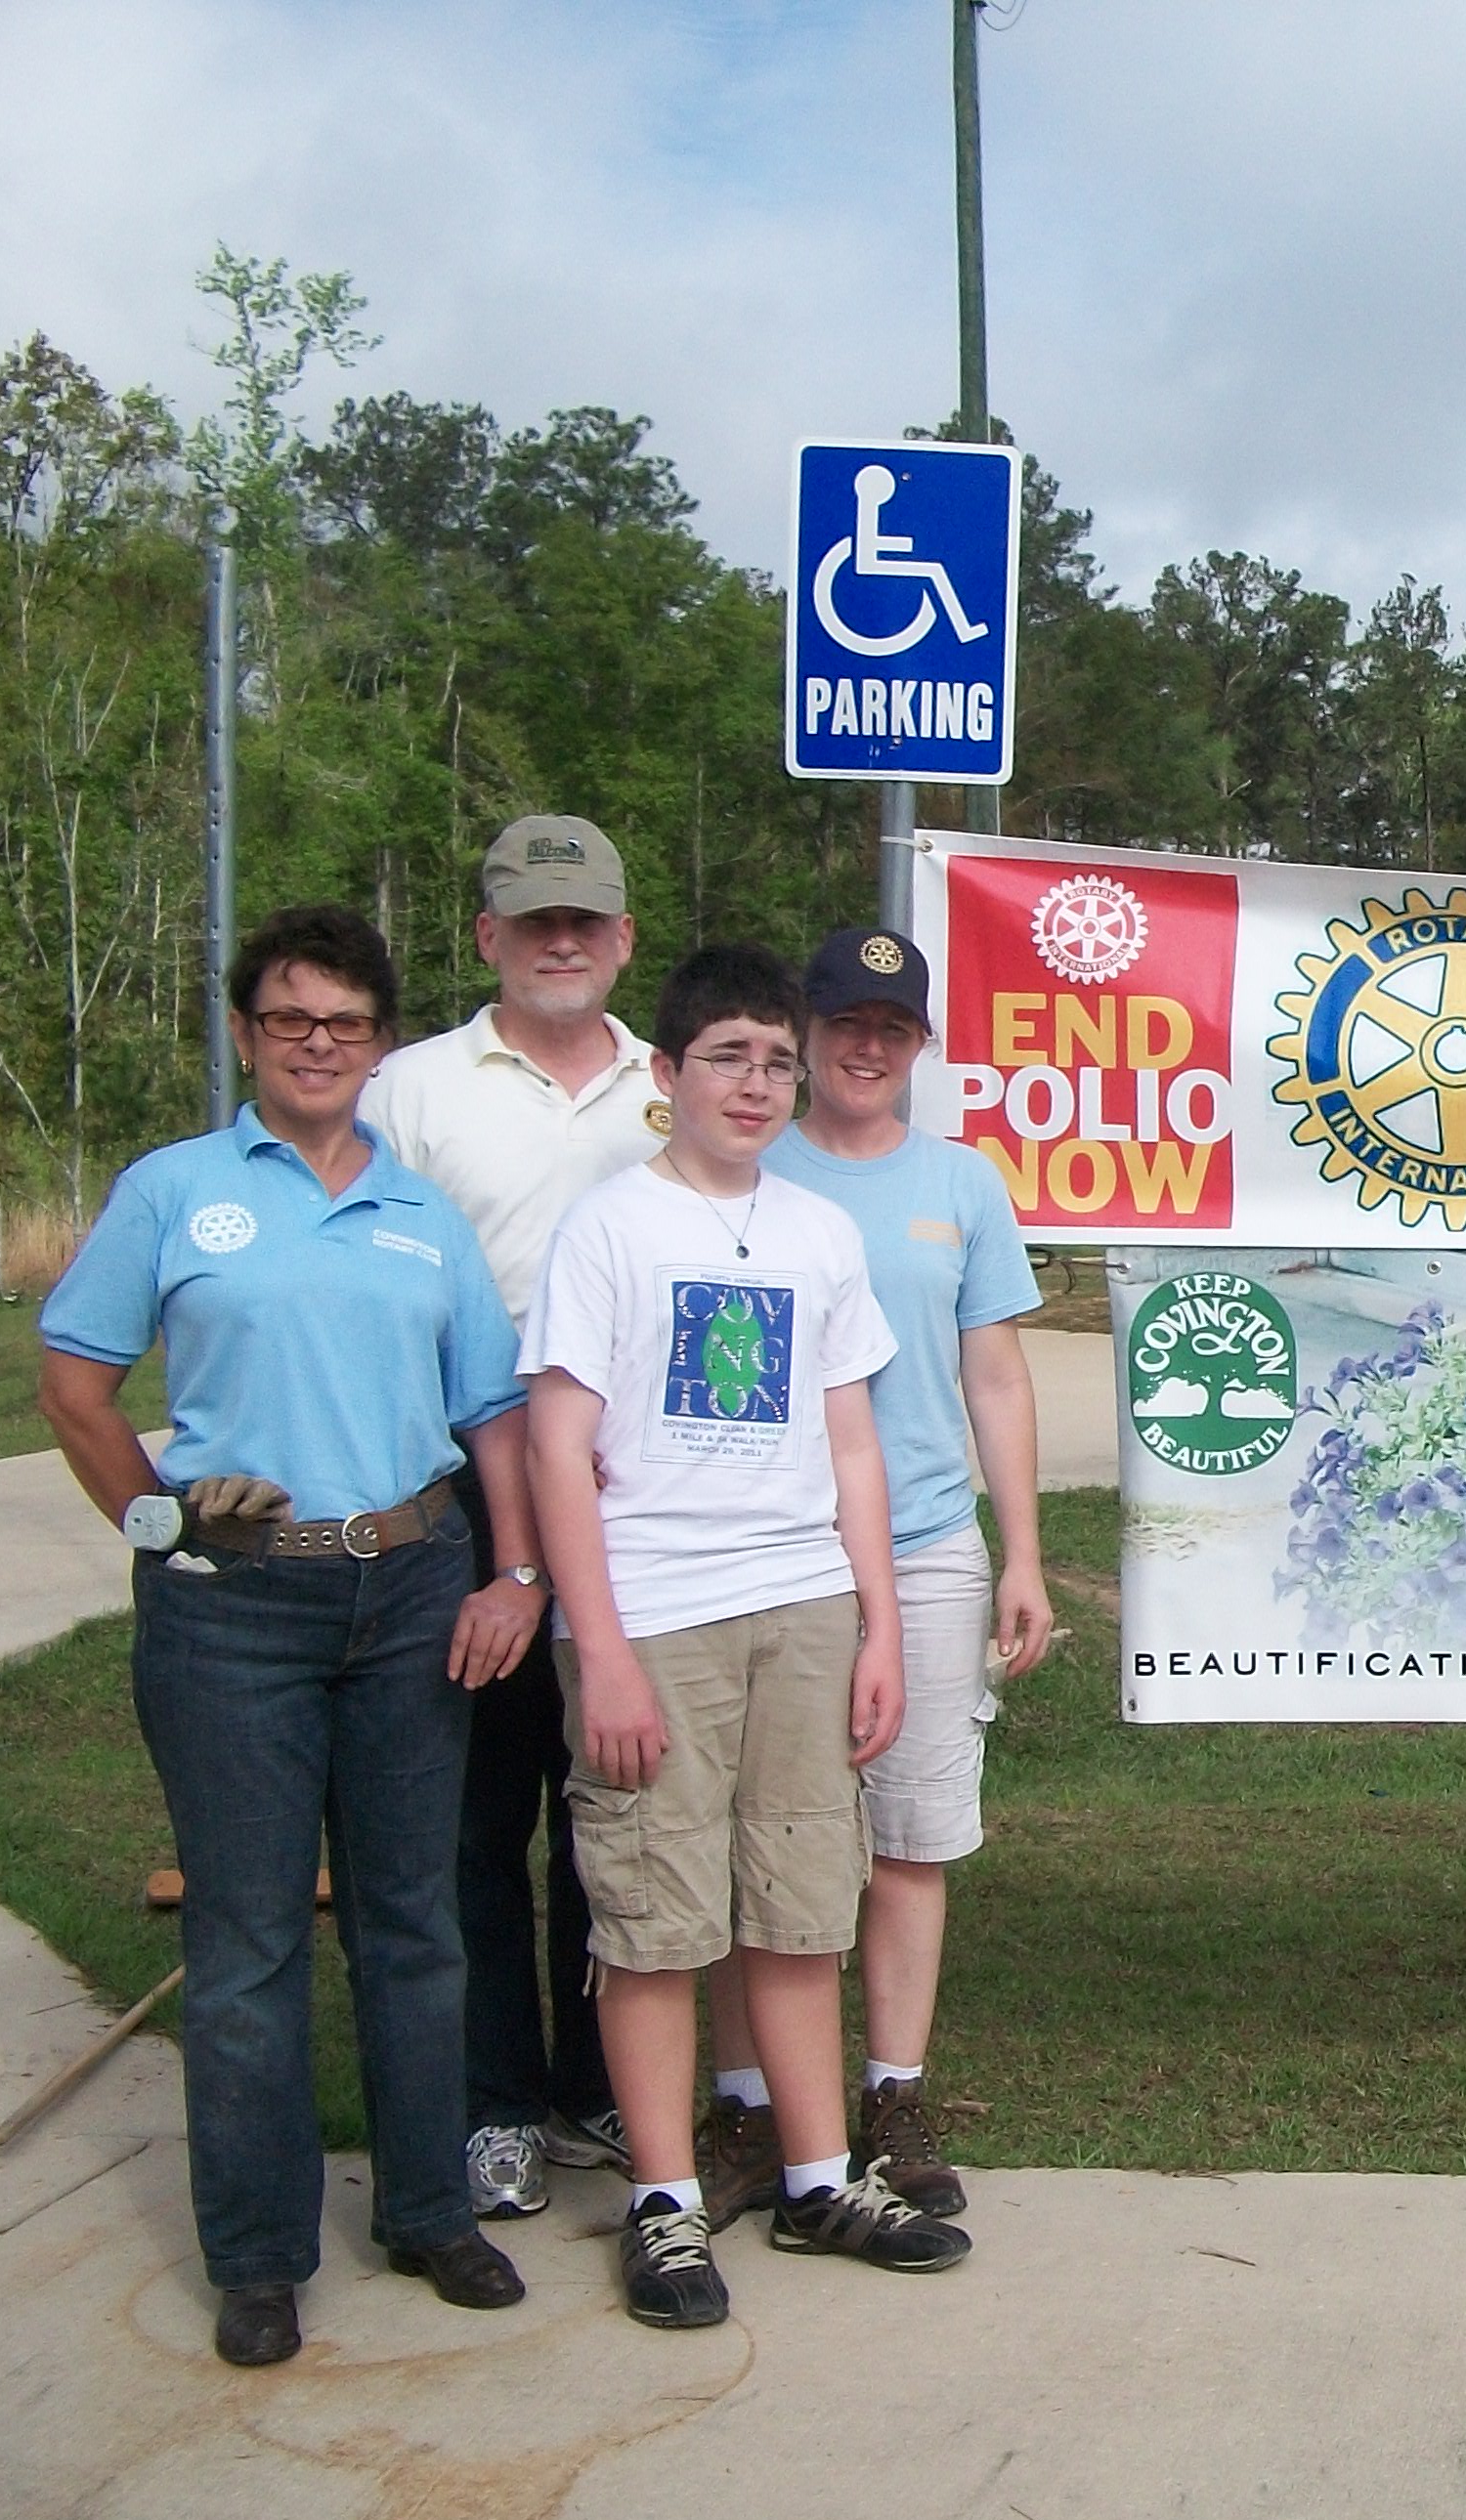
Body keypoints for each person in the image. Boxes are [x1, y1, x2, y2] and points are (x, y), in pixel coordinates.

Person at [38, 905, 545, 2367]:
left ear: (378, 1044)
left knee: (415, 1919)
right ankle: (259, 2255)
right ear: (247, 1034)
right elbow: (76, 1386)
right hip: (231, 1604)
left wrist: (512, 1573)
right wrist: (162, 1524)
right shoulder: (173, 1193)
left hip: (409, 1588)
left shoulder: (420, 1213)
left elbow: (490, 1415)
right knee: (250, 1937)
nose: (317, 1043)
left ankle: (429, 2211)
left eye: (346, 1022)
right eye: (288, 1019)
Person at [523, 941, 969, 2328]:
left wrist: (880, 1628)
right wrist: (598, 1647)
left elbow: (852, 1444)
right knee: (656, 1919)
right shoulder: (610, 1229)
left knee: (796, 1901)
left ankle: (819, 2172)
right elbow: (556, 1446)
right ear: (665, 1074)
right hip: (657, 1615)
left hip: (807, 1609)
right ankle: (664, 2206)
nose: (758, 1082)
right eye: (728, 1055)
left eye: (776, 1058)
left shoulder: (815, 1234)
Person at [688, 927, 1055, 2222]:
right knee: (760, 1841)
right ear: (808, 1028)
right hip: (776, 1551)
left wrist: (1022, 1553)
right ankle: (747, 2105)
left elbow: (995, 1373)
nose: (866, 1046)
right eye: (845, 1021)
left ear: (919, 1046)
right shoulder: (742, 1168)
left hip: (928, 1544)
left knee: (910, 1836)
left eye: (893, 1029)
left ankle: (893, 2092)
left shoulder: (959, 1183)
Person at [359, 813, 663, 2224]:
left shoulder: (675, 1086)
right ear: (486, 935)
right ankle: (496, 2104)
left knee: (610, 1811)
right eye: (534, 920)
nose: (561, 941)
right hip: (470, 1509)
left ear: (621, 940)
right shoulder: (411, 1090)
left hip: (647, 1512)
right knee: (480, 1823)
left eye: (585, 921)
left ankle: (595, 2080)